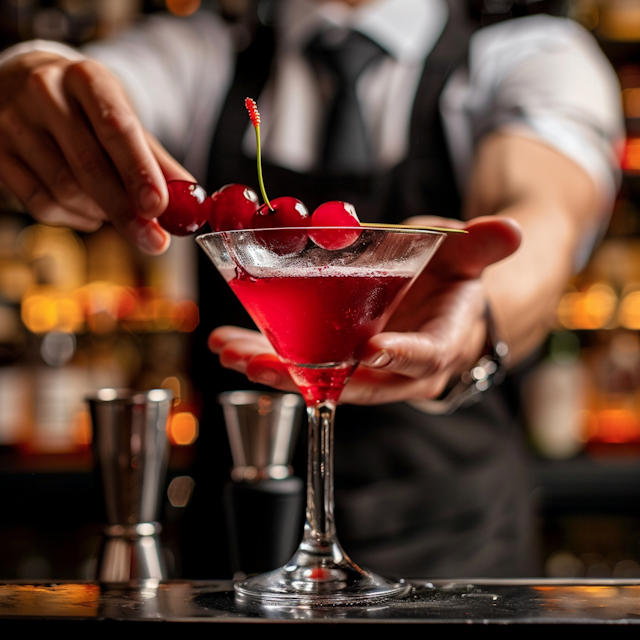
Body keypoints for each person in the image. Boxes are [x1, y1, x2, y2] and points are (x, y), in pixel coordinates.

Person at [0, 0, 624, 577]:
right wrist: (29, 76)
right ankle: (316, 553)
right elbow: (90, 82)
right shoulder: (202, 51)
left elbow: (543, 218)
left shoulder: (526, 54)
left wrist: (478, 302)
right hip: (236, 558)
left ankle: (318, 552)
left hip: (462, 555)